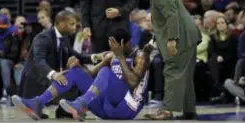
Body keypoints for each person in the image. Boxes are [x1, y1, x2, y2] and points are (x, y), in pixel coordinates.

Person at [11, 28, 153, 121]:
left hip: (126, 109)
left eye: (113, 44)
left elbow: (133, 82)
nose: (111, 48)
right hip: (106, 109)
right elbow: (92, 76)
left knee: (105, 71)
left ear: (122, 43)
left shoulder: (140, 56)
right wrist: (78, 65)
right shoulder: (111, 56)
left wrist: (120, 56)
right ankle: (38, 102)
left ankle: (80, 104)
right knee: (75, 72)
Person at [135, 0, 202, 120]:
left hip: (181, 38)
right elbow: (164, 23)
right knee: (185, 75)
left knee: (172, 71)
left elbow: (172, 16)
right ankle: (189, 110)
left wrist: (172, 40)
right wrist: (153, 42)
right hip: (187, 37)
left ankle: (167, 111)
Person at [19, 10, 104, 117]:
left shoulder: (64, 38)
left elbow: (78, 56)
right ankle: (37, 104)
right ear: (62, 24)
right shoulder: (43, 37)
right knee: (68, 78)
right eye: (72, 24)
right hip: (36, 82)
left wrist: (98, 56)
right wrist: (54, 74)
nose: (75, 27)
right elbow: (39, 61)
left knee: (74, 75)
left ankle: (64, 111)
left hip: (48, 79)